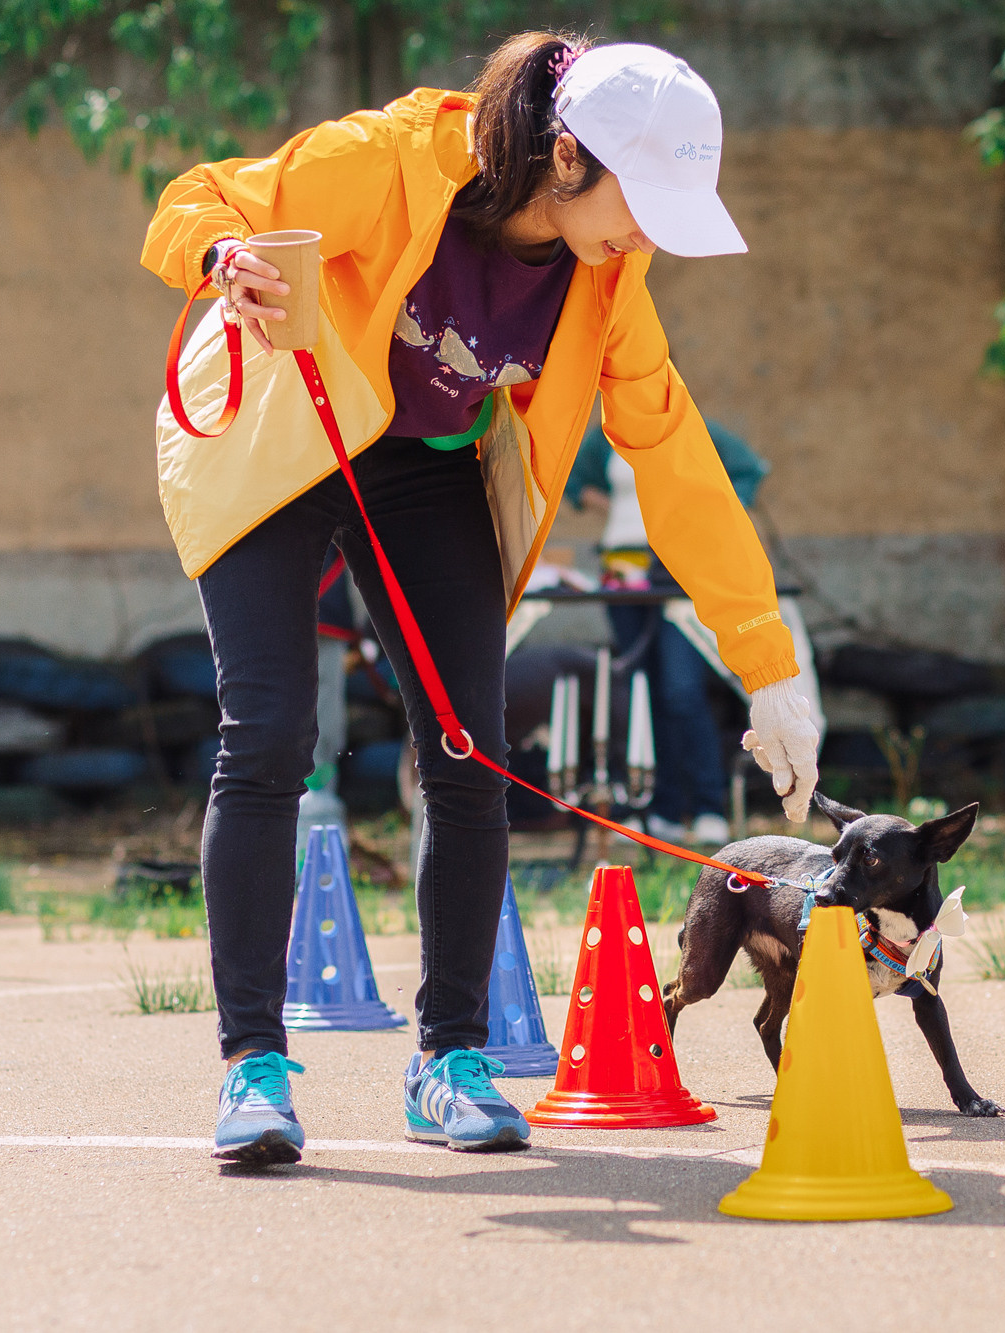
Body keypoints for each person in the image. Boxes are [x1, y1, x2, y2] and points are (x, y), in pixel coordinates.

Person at [141, 34, 822, 1164]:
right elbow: (193, 198)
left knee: (470, 750)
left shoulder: (608, 272)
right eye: (636, 200)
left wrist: (767, 660)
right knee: (267, 735)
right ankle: (252, 1065)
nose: (645, 232)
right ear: (564, 154)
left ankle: (447, 1058)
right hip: (282, 425)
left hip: (420, 462)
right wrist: (222, 253)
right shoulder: (393, 157)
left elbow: (666, 443)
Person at [567, 421, 770, 845]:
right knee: (639, 687)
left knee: (681, 688)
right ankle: (657, 808)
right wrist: (620, 511)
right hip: (622, 563)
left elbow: (749, 470)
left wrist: (708, 512)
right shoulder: (604, 436)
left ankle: (707, 805)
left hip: (679, 563)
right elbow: (568, 474)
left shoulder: (691, 426)